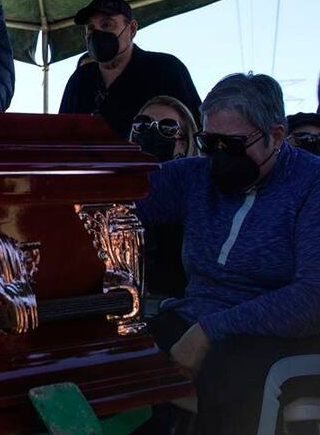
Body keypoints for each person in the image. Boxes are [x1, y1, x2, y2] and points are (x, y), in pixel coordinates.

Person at [135, 73, 320, 434]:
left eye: (232, 145)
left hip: (283, 331)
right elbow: (120, 192)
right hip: (197, 318)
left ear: (277, 136)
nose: (218, 156)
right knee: (119, 358)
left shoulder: (312, 185)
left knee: (229, 377)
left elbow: (313, 298)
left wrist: (209, 331)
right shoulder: (195, 176)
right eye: (209, 142)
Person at [59, 0, 202, 139]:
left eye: (107, 25)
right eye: (90, 28)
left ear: (132, 29)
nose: (97, 34)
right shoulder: (80, 80)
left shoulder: (166, 69)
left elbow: (196, 129)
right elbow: (61, 137)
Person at [129, 95, 199, 313]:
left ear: (184, 143)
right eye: (143, 124)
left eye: (167, 128)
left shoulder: (198, 194)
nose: (151, 132)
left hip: (180, 307)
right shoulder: (114, 190)